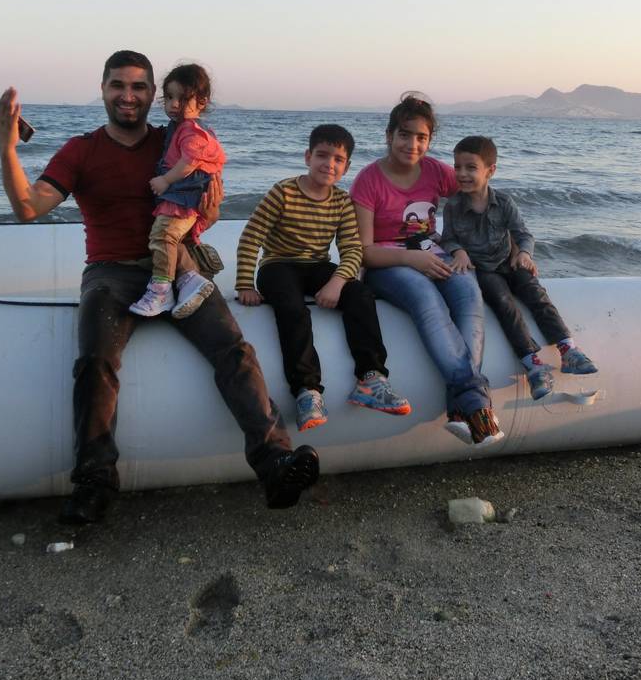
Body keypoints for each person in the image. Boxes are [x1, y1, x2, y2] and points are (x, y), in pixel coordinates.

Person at [0, 50, 319, 524]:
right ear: (103, 90)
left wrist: (208, 211)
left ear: (155, 94)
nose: (128, 95)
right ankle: (95, 482)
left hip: (179, 264)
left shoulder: (177, 143)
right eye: (118, 86)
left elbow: (203, 211)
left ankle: (275, 463)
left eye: (139, 87)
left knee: (234, 350)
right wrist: (6, 147)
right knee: (96, 362)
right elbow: (27, 207)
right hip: (111, 272)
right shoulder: (81, 150)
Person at [349, 94, 503, 446]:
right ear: (389, 136)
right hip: (390, 263)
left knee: (468, 290)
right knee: (426, 298)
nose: (412, 144)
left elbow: (476, 190)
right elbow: (366, 251)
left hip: (435, 253)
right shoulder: (368, 181)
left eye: (422, 137)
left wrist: (477, 243)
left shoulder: (436, 171)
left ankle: (461, 410)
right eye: (404, 134)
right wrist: (410, 259)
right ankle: (477, 400)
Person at [235, 124, 411, 431]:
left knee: (360, 294)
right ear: (307, 157)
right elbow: (251, 237)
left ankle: (371, 378)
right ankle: (307, 391)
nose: (328, 164)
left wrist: (338, 282)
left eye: (337, 159)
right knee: (293, 309)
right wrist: (245, 284)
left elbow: (353, 250)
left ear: (346, 167)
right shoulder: (283, 192)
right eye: (322, 155)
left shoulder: (342, 203)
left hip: (316, 265)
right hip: (278, 265)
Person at [441, 135, 598, 400]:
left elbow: (523, 234)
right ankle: (532, 364)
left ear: (491, 170)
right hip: (484, 271)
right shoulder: (454, 206)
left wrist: (524, 254)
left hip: (509, 262)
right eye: (457, 167)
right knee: (504, 305)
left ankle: (567, 348)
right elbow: (448, 238)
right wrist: (459, 252)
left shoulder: (504, 203)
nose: (462, 174)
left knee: (535, 293)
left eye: (471, 167)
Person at [130, 63, 226, 318]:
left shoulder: (191, 130)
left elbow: (190, 160)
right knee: (171, 239)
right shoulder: (181, 128)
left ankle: (161, 289)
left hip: (183, 195)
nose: (173, 105)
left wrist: (165, 180)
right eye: (169, 97)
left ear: (202, 102)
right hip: (184, 196)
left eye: (182, 99)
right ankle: (189, 280)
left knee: (163, 237)